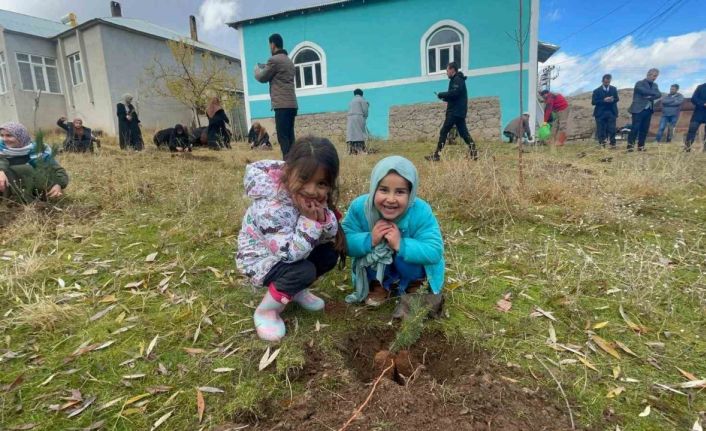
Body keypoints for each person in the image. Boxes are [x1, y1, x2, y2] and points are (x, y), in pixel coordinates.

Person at [235, 137, 346, 342]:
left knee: (329, 254)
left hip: (291, 249)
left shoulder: (308, 199)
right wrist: (310, 222)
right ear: (288, 172)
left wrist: (322, 218)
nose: (312, 190)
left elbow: (328, 235)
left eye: (321, 183)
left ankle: (294, 290)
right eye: (305, 179)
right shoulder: (271, 206)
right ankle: (266, 311)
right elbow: (288, 254)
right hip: (260, 259)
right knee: (303, 270)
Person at [342, 156, 444, 319]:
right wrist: (370, 239)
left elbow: (435, 251)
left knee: (405, 256)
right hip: (375, 266)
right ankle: (378, 285)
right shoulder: (360, 208)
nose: (390, 199)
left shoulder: (421, 210)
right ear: (374, 187)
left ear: (411, 194)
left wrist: (400, 244)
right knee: (377, 251)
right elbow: (344, 241)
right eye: (383, 190)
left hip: (409, 268)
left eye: (400, 192)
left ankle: (414, 285)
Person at [0, 122, 69, 203]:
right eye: (2, 135)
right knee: (16, 169)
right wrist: (1, 171)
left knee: (25, 169)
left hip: (34, 192)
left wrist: (58, 184)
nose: (4, 139)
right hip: (5, 193)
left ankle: (29, 202)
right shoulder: (1, 150)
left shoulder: (37, 151)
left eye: (9, 135)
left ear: (20, 136)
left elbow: (59, 171)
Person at [254, 33, 298, 158]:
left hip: (282, 105)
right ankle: (294, 162)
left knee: (283, 137)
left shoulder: (274, 60)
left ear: (273, 44)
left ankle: (288, 165)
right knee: (290, 137)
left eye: (269, 45)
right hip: (292, 104)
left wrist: (257, 68)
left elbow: (262, 77)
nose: (269, 47)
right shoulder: (289, 61)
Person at [426, 62, 477, 161]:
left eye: (447, 70)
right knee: (464, 134)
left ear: (452, 70)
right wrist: (444, 98)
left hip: (455, 112)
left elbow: (454, 93)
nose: (446, 73)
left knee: (444, 131)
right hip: (458, 112)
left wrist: (441, 94)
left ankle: (437, 155)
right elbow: (454, 96)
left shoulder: (457, 80)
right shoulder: (457, 80)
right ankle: (474, 153)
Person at [627, 68, 661, 152]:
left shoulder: (655, 85)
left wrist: (650, 96)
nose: (654, 78)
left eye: (656, 76)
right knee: (635, 128)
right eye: (653, 75)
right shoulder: (639, 83)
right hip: (638, 109)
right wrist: (653, 93)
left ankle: (641, 147)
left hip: (649, 109)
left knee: (644, 129)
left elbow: (659, 94)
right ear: (648, 74)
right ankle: (630, 147)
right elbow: (642, 90)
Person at [591, 74, 620, 148]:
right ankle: (602, 145)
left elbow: (617, 99)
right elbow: (593, 102)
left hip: (611, 112)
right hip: (600, 113)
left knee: (612, 129)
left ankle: (613, 144)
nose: (607, 84)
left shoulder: (614, 89)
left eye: (608, 82)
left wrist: (612, 99)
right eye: (606, 82)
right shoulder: (596, 91)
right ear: (602, 81)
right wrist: (604, 100)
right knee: (601, 130)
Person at [684, 81, 706, 152]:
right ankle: (687, 149)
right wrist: (703, 104)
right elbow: (693, 99)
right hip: (699, 112)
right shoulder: (701, 87)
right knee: (692, 130)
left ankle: (705, 150)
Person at [346, 89, 369, 155]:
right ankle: (360, 150)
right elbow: (365, 110)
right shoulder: (362, 100)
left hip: (350, 118)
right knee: (359, 133)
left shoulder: (351, 101)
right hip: (358, 117)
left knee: (351, 134)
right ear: (361, 94)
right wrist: (365, 117)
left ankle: (351, 151)